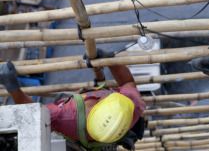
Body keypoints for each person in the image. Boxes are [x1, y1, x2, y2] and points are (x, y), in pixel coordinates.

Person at [0, 49, 146, 150]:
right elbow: (127, 82)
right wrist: (110, 60)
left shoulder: (66, 116)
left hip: (72, 126)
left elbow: (31, 115)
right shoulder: (131, 108)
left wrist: (12, 87)